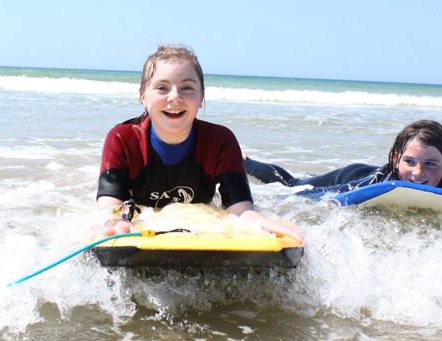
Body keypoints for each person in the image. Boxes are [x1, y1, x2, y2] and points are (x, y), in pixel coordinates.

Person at [96, 44, 304, 241]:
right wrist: (115, 223)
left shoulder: (221, 141)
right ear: (143, 96)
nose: (175, 97)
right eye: (162, 87)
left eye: (187, 87)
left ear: (201, 97)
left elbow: (239, 210)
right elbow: (109, 208)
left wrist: (254, 219)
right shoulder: (122, 139)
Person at [243, 120, 442, 199]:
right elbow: (314, 197)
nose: (418, 173)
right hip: (353, 176)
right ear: (396, 159)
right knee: (290, 183)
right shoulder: (375, 184)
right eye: (409, 162)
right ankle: (244, 160)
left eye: (430, 164)